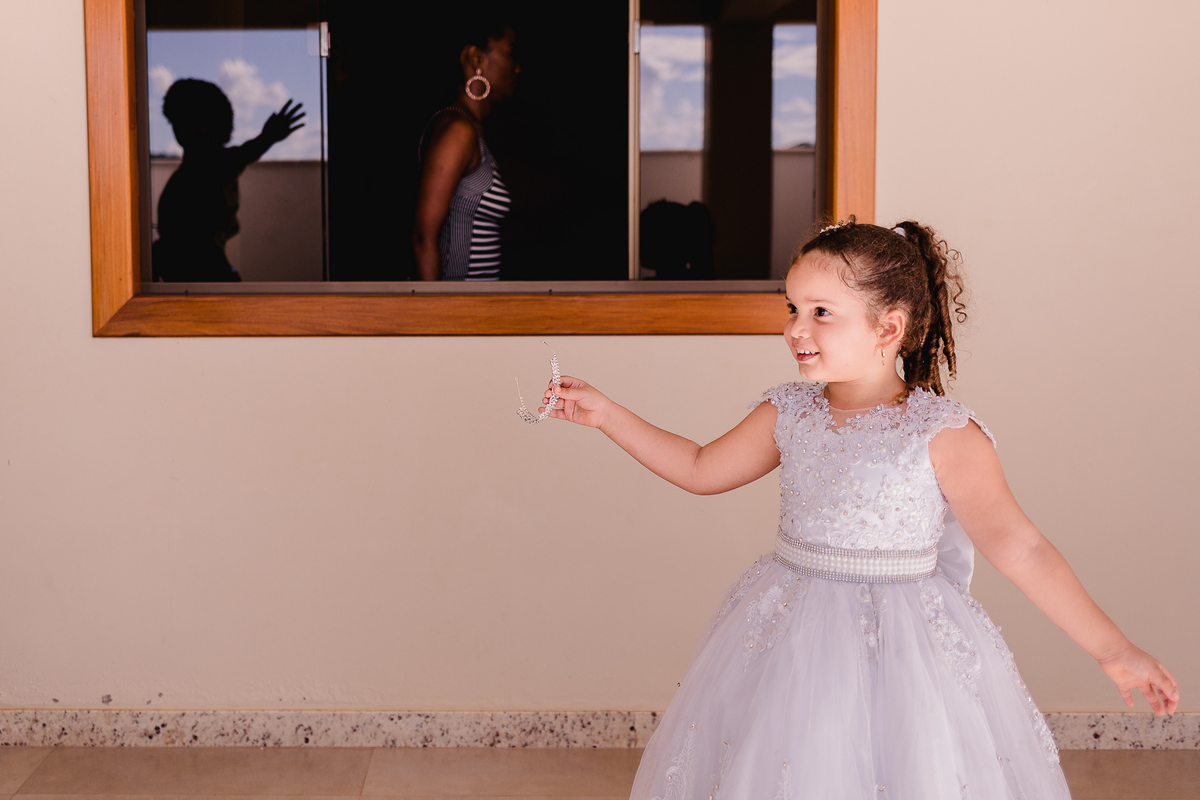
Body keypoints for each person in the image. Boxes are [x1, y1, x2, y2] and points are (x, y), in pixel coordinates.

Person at [536, 219, 1179, 797]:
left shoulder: (943, 433)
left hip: (910, 645)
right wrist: (607, 415)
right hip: (791, 630)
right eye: (792, 308)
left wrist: (1114, 649)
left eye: (821, 312)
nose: (795, 329)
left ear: (888, 327)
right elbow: (702, 468)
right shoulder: (788, 411)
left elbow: (1022, 547)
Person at [153, 79, 305, 282]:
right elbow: (244, 154)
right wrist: (268, 137)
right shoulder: (214, 167)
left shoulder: (184, 182)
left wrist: (267, 137)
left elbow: (243, 154)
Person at [412, 18, 518, 281]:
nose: (517, 68)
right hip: (456, 315)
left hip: (474, 313)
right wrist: (437, 318)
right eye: (510, 52)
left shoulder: (473, 129)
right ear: (476, 59)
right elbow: (423, 238)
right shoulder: (458, 131)